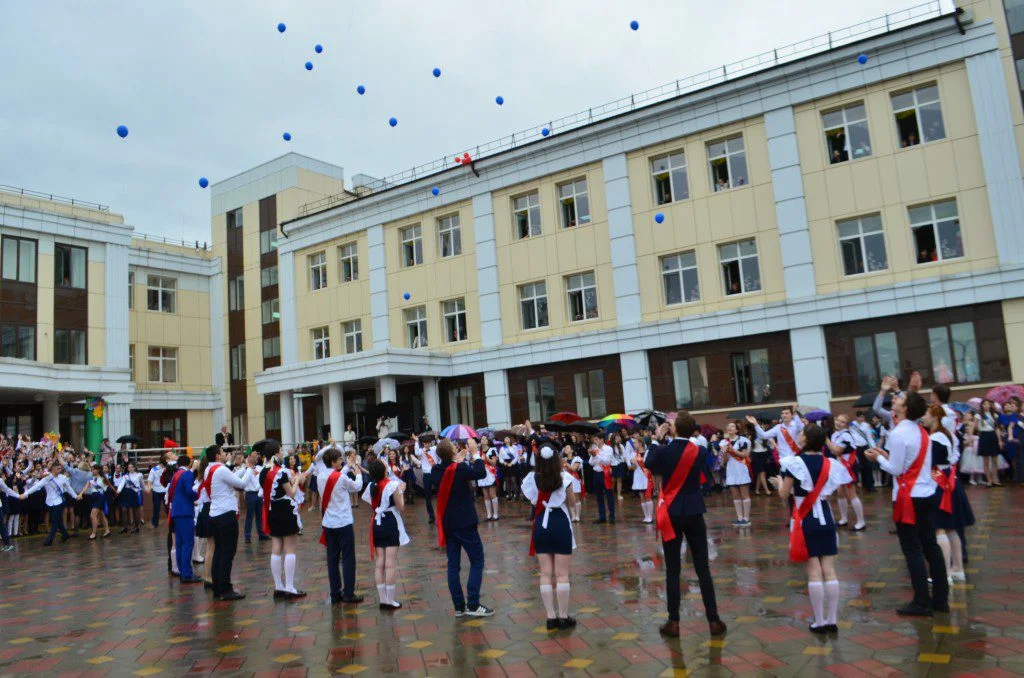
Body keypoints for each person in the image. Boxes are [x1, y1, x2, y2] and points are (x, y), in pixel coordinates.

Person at [865, 392, 948, 616]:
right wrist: (886, 455)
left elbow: (896, 469)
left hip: (908, 496)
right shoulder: (921, 431)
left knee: (912, 549)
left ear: (905, 409)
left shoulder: (898, 433)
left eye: (899, 401)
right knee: (930, 545)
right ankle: (940, 599)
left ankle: (922, 601)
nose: (895, 401)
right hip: (926, 492)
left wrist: (878, 458)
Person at [646, 413, 726, 638]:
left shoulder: (663, 450)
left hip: (671, 512)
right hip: (694, 510)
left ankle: (674, 621)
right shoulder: (698, 451)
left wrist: (656, 439)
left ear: (673, 429)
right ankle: (714, 620)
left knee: (673, 569)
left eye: (669, 424)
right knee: (703, 568)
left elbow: (649, 463)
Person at [773, 424, 851, 634]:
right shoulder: (830, 463)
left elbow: (783, 495)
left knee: (814, 573)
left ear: (806, 439)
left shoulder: (794, 463)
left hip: (804, 518)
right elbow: (832, 490)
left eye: (802, 432)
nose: (799, 434)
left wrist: (779, 482)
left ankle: (819, 621)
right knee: (830, 570)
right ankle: (832, 619)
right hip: (826, 516)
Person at [432, 437, 494, 617]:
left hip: (448, 523)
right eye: (453, 447)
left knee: (453, 565)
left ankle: (459, 606)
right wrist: (475, 453)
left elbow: (450, 469)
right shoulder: (459, 468)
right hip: (465, 522)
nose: (456, 447)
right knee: (477, 560)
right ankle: (473, 603)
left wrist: (457, 460)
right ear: (452, 452)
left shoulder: (437, 470)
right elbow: (480, 473)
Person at [522, 439, 577, 630]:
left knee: (545, 573)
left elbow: (532, 501)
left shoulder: (532, 478)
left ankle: (550, 617)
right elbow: (571, 503)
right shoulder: (565, 478)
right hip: (560, 523)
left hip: (541, 525)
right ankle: (563, 617)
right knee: (562, 574)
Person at [925, 404, 973, 583]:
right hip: (950, 480)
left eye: (926, 414)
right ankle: (958, 569)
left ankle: (944, 574)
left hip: (940, 482)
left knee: (939, 529)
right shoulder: (948, 435)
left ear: (936, 417)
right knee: (951, 528)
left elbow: (934, 464)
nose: (924, 417)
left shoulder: (936, 437)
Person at [258, 440, 310, 599]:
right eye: (280, 451)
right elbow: (291, 493)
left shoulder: (262, 472)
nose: (282, 454)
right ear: (275, 454)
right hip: (285, 511)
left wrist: (293, 481)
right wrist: (298, 480)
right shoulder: (280, 472)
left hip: (272, 510)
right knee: (290, 548)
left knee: (276, 547)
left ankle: (278, 586)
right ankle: (289, 587)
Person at [203, 444, 255, 601]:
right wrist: (250, 468)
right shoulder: (221, 469)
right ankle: (226, 589)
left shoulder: (209, 469)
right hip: (226, 514)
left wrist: (245, 469)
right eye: (223, 452)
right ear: (218, 456)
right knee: (227, 552)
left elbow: (232, 476)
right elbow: (241, 484)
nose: (226, 454)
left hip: (214, 513)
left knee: (219, 551)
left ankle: (218, 587)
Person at [316, 445, 365, 604]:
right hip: (343, 522)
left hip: (329, 523)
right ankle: (348, 593)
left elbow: (335, 477)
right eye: (339, 460)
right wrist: (358, 475)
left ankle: (335, 592)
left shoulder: (320, 477)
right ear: (333, 462)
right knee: (348, 558)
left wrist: (348, 466)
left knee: (332, 559)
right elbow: (356, 486)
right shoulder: (341, 478)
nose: (341, 462)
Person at [362, 458, 409, 610]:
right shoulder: (392, 485)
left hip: (376, 522)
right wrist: (402, 490)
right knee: (390, 565)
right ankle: (390, 600)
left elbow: (371, 502)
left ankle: (383, 599)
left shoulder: (370, 485)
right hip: (389, 522)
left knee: (379, 563)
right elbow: (401, 506)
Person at [826, 415, 866, 531]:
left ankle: (861, 521)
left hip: (849, 466)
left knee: (851, 493)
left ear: (847, 425)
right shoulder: (836, 434)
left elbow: (836, 450)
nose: (838, 423)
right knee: (840, 493)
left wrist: (826, 439)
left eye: (842, 422)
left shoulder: (846, 436)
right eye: (838, 420)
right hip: (840, 466)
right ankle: (843, 518)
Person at [167, 454, 203, 583]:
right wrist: (198, 494)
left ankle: (183, 571)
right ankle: (187, 574)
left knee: (180, 544)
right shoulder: (187, 474)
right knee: (188, 543)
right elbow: (189, 491)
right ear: (189, 463)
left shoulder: (175, 474)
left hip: (176, 511)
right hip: (185, 512)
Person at [21, 461, 74, 546]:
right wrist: (25, 494)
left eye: (60, 468)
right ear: (53, 469)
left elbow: (68, 488)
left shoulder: (63, 478)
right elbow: (36, 486)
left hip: (59, 501)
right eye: (58, 468)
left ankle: (50, 539)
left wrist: (75, 496)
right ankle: (65, 534)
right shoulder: (47, 478)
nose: (60, 470)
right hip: (49, 502)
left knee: (54, 520)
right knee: (58, 520)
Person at [720, 421, 752, 527]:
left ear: (737, 430)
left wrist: (732, 450)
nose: (729, 428)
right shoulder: (723, 442)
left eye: (732, 426)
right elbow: (723, 461)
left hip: (742, 468)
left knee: (744, 494)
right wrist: (724, 453)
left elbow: (744, 455)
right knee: (735, 495)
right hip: (731, 470)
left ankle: (746, 518)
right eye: (728, 426)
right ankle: (739, 517)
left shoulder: (744, 441)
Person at [76, 464, 112, 540]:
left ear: (98, 470)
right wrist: (81, 493)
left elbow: (106, 488)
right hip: (94, 497)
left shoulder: (103, 478)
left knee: (92, 516)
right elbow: (86, 487)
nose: (92, 471)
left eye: (94, 469)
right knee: (101, 515)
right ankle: (107, 530)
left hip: (100, 497)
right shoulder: (91, 479)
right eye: (92, 469)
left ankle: (94, 533)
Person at [588, 435, 615, 524]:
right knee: (599, 496)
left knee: (609, 495)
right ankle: (602, 516)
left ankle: (612, 516)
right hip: (596, 473)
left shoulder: (608, 449)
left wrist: (597, 455)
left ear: (602, 439)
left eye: (596, 439)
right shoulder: (595, 449)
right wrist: (593, 455)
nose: (595, 441)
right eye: (594, 439)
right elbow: (591, 463)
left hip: (605, 474)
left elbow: (607, 461)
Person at [241, 452, 267, 544]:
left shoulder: (260, 468)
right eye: (252, 456)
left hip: (259, 493)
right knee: (249, 516)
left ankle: (261, 533)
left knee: (259, 515)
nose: (255, 458)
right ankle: (247, 536)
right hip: (250, 493)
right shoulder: (245, 469)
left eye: (256, 457)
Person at [977, 399, 1002, 487]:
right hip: (984, 436)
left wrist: (999, 440)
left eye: (988, 404)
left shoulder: (994, 415)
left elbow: (997, 428)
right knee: (986, 460)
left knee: (995, 460)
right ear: (982, 406)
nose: (987, 406)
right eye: (985, 404)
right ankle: (989, 480)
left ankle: (995, 479)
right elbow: (975, 427)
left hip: (993, 436)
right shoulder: (978, 416)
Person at [116, 461, 144, 534]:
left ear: (135, 467)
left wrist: (145, 489)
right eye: (129, 467)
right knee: (124, 509)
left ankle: (136, 527)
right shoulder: (125, 476)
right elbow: (122, 483)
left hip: (134, 493)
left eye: (131, 467)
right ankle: (125, 527)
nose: (130, 468)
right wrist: (118, 490)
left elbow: (142, 484)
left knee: (135, 510)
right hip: (126, 492)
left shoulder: (139, 475)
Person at [146, 454, 169, 528]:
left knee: (168, 508)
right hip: (156, 491)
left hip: (165, 491)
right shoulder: (154, 469)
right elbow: (150, 480)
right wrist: (149, 487)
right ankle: (155, 524)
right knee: (156, 508)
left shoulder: (168, 469)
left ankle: (171, 522)